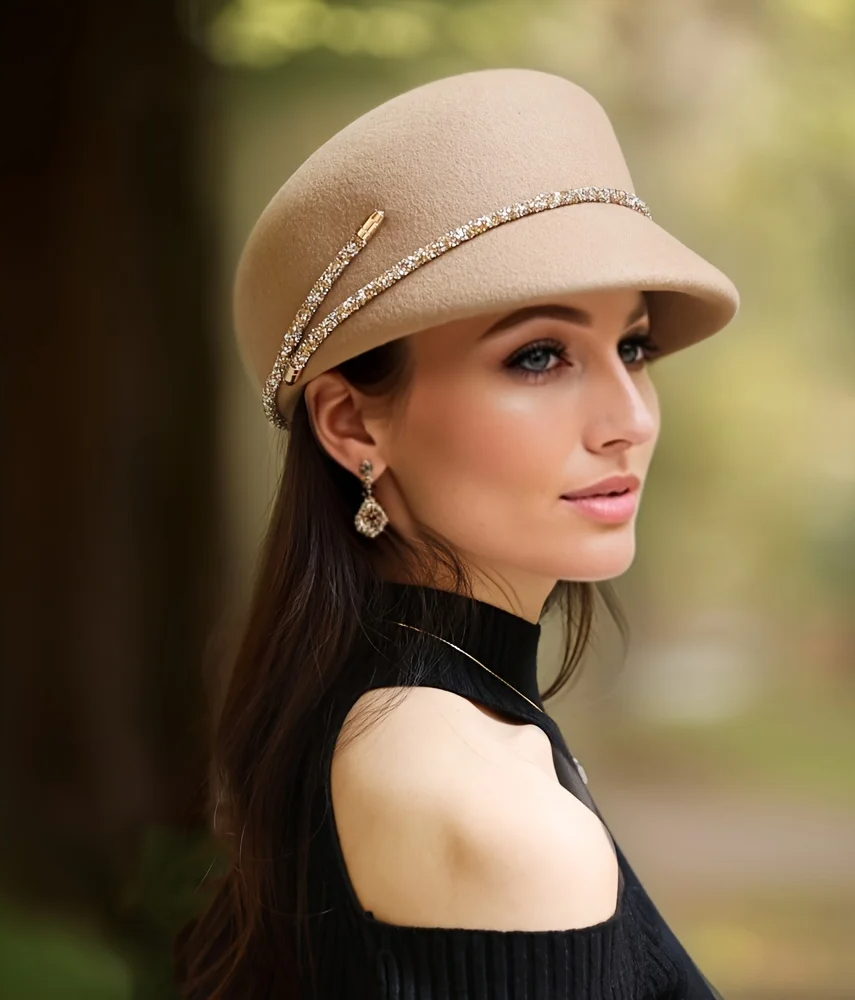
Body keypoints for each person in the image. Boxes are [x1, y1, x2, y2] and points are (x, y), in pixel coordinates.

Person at [175, 67, 740, 999]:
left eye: (631, 347)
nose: (629, 416)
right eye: (540, 355)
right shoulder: (476, 802)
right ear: (354, 426)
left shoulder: (393, 718)